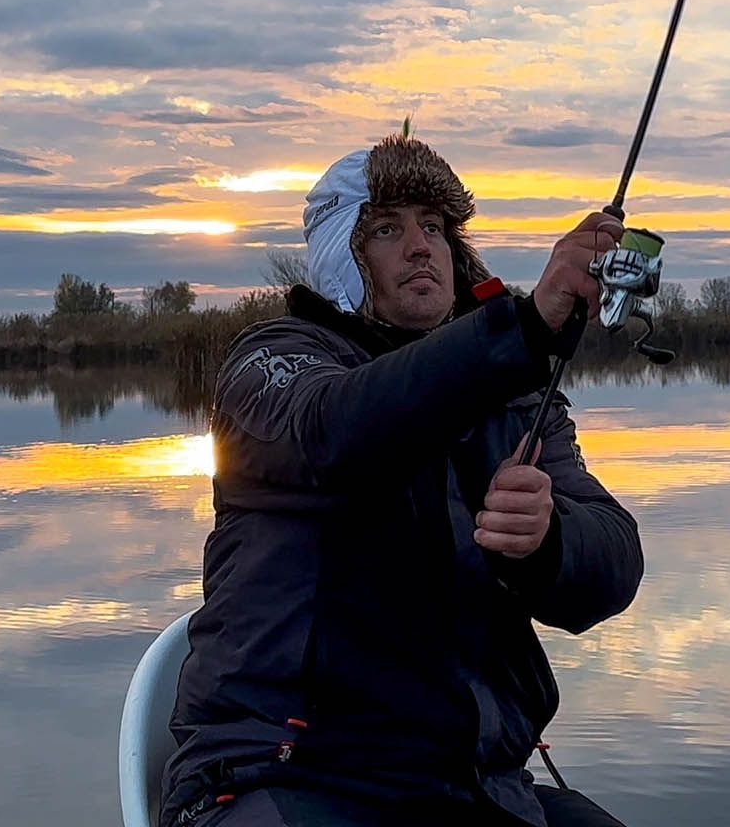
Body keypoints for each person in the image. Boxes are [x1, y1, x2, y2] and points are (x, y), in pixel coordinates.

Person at [163, 133, 643, 826]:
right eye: (387, 229)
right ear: (341, 256)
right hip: (291, 777)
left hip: (473, 787)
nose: (421, 246)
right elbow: (341, 432)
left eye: (434, 226)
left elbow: (614, 562)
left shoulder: (513, 399)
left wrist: (546, 542)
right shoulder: (269, 366)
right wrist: (527, 325)